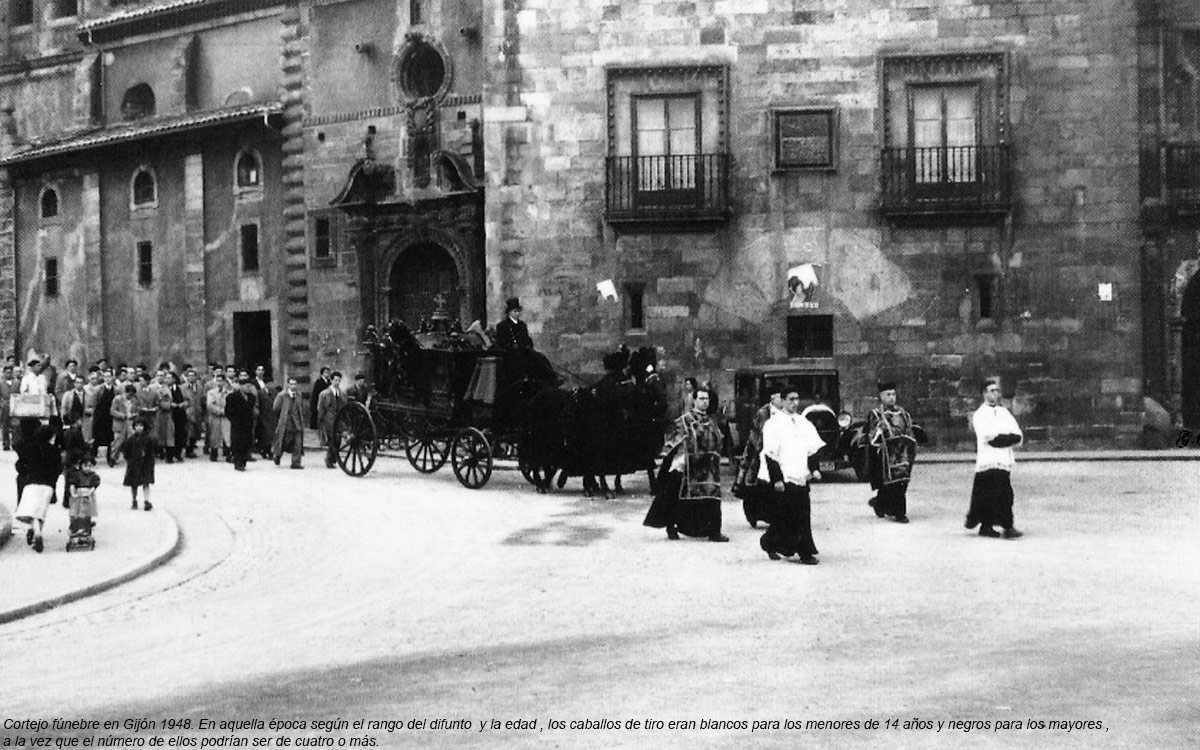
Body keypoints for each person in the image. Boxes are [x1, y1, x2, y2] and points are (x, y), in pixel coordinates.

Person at [643, 383, 729, 542]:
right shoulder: (683, 421)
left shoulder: (712, 422)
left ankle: (714, 532)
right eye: (701, 399)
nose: (705, 402)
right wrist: (679, 460)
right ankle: (671, 527)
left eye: (707, 399)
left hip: (709, 468)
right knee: (676, 497)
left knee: (713, 498)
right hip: (688, 466)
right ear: (694, 401)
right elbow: (672, 443)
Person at [758, 387, 825, 564]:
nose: (795, 403)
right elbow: (770, 454)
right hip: (785, 477)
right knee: (785, 518)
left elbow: (812, 448)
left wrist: (814, 468)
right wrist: (777, 479)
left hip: (800, 475)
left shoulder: (803, 423)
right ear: (782, 401)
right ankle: (771, 543)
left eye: (797, 399)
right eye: (791, 399)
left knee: (802, 515)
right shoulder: (773, 424)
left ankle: (804, 551)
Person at [967, 380, 1024, 539]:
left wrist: (1006, 438)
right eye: (991, 391)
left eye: (997, 391)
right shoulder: (980, 414)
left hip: (1003, 459)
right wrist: (1006, 438)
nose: (995, 394)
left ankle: (1007, 526)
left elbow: (1017, 434)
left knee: (1005, 494)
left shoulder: (1004, 413)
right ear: (984, 393)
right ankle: (987, 526)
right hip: (988, 460)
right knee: (987, 495)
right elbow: (988, 437)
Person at [733, 385, 785, 527]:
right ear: (772, 398)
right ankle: (754, 515)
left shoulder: (786, 413)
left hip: (780, 453)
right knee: (756, 485)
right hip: (760, 451)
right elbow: (757, 434)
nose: (781, 400)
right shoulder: (763, 413)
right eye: (779, 397)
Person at [865, 380, 917, 524]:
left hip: (903, 452)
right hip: (886, 454)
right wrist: (880, 432)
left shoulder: (903, 413)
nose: (892, 398)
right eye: (888, 395)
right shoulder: (875, 414)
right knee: (891, 482)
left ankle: (883, 504)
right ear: (881, 396)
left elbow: (910, 430)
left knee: (902, 481)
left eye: (893, 394)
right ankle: (898, 512)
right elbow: (872, 436)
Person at [14, 424, 62, 553]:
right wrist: (53, 480)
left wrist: (25, 473)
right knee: (41, 510)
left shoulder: (29, 448)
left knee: (31, 510)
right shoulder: (54, 450)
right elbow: (58, 468)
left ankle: (36, 531)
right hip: (48, 484)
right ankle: (37, 531)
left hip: (31, 482)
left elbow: (20, 464)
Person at [272, 377, 306, 469]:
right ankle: (277, 455)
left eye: (295, 384)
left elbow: (301, 408)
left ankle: (296, 463)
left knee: (297, 443)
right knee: (284, 442)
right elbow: (275, 408)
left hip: (297, 423)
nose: (293, 386)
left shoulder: (299, 395)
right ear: (287, 385)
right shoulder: (282, 395)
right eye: (291, 384)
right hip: (286, 423)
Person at [226, 375, 258, 471]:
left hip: (248, 424)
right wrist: (234, 420)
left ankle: (243, 461)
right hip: (237, 424)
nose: (248, 388)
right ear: (241, 386)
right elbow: (228, 411)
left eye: (250, 386)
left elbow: (252, 410)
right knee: (237, 443)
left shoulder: (252, 397)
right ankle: (238, 462)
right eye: (246, 386)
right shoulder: (232, 397)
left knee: (246, 443)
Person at [122, 418, 155, 510]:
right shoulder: (130, 440)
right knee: (134, 484)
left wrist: (150, 462)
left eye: (141, 425)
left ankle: (146, 500)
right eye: (137, 426)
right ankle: (134, 500)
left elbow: (151, 452)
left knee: (146, 483)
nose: (139, 428)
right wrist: (130, 461)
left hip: (145, 464)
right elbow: (126, 452)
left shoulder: (148, 439)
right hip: (134, 464)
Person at [317, 371, 347, 468]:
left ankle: (332, 458)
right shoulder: (324, 394)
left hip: (339, 419)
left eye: (339, 380)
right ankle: (329, 459)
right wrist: (321, 420)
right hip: (329, 419)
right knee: (332, 440)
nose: (337, 382)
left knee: (338, 440)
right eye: (335, 380)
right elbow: (320, 408)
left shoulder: (342, 393)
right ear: (331, 380)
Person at [109, 384, 136, 466]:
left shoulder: (134, 400)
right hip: (120, 423)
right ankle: (113, 458)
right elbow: (112, 411)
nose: (130, 397)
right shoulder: (117, 399)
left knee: (131, 441)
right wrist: (121, 415)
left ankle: (130, 458)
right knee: (117, 442)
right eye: (129, 395)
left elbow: (136, 410)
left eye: (132, 395)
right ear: (126, 392)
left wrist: (134, 415)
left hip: (130, 423)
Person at [206, 373, 231, 462]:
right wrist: (219, 411)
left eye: (221, 381)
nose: (219, 383)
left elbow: (231, 404)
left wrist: (226, 411)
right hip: (215, 417)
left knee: (227, 435)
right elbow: (210, 405)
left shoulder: (229, 393)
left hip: (226, 417)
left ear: (224, 382)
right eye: (217, 381)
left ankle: (228, 453)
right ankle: (214, 453)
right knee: (214, 435)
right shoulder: (211, 392)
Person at [309, 366, 330, 432]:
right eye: (326, 372)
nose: (327, 374)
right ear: (322, 373)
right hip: (319, 401)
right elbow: (315, 394)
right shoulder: (318, 382)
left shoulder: (329, 382)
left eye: (328, 372)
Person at [0, 363, 14, 450]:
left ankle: (15, 442)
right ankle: (6, 443)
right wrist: (1, 404)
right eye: (7, 372)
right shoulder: (1, 383)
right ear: (4, 373)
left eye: (10, 372)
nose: (9, 374)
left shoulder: (17, 382)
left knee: (15, 425)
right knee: (5, 425)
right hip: (5, 406)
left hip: (15, 405)